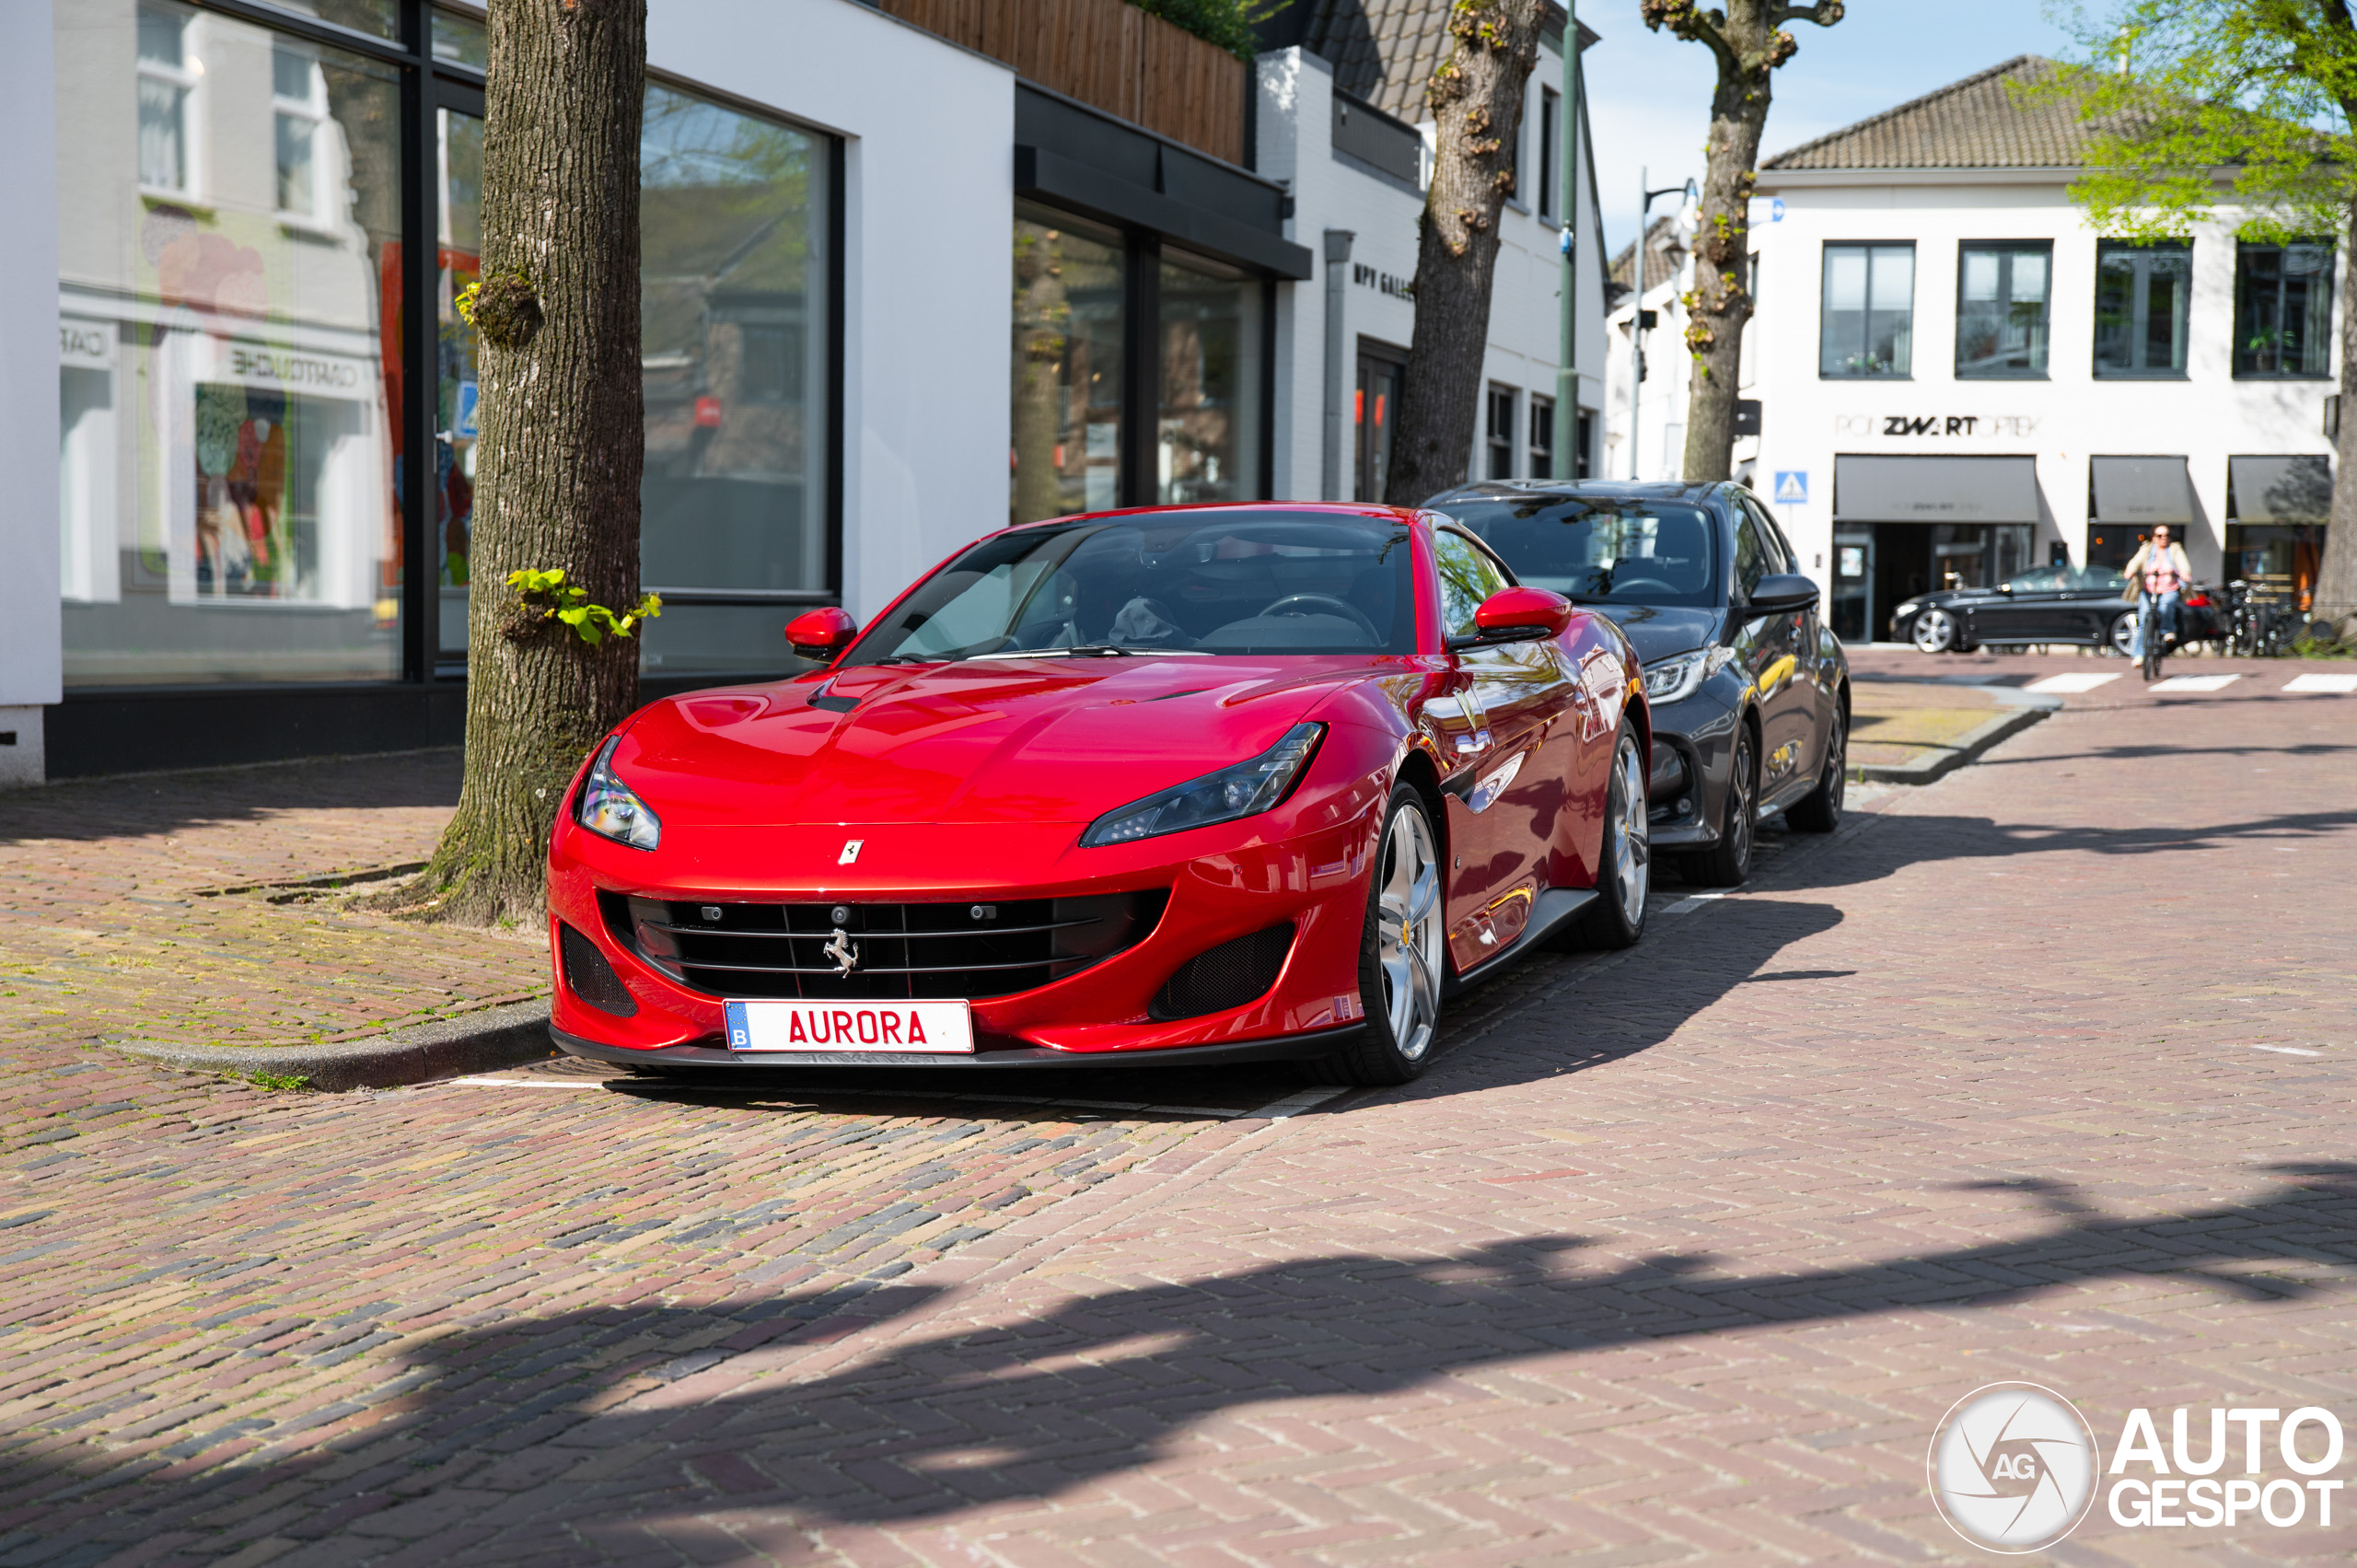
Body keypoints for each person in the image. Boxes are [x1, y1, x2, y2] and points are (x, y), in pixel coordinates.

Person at [2120, 525, 2193, 663]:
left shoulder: (2174, 549)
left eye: (2166, 535)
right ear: (2154, 538)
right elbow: (2136, 561)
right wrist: (2129, 571)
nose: (2163, 538)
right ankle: (2139, 655)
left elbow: (2182, 563)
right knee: (2144, 619)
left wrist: (2185, 573)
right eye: (2160, 536)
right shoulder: (2146, 549)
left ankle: (2167, 630)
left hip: (2168, 589)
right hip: (2149, 590)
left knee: (2166, 605)